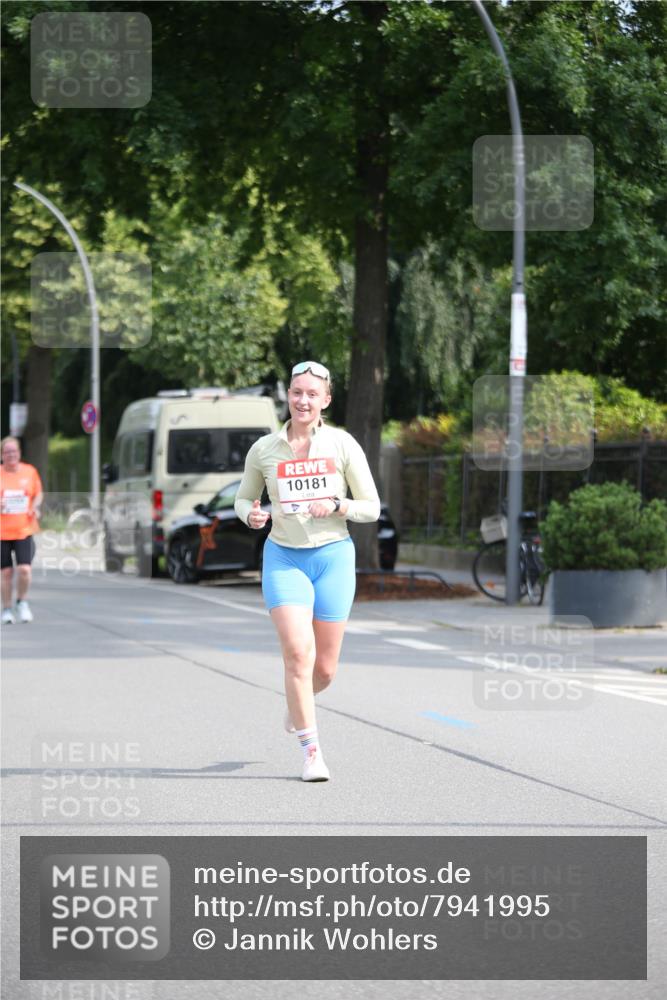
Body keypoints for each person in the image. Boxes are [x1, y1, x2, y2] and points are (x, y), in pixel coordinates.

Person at [235, 361, 380, 782]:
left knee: (324, 671)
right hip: (284, 557)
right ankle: (312, 753)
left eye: (312, 394)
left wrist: (338, 505)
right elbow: (243, 500)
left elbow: (371, 506)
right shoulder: (264, 450)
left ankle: (297, 704)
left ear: (325, 401)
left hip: (333, 556)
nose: (303, 400)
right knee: (298, 654)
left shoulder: (342, 444)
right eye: (297, 392)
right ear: (289, 397)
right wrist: (252, 516)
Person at [1, 436, 43, 624]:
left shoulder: (30, 472)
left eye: (14, 451)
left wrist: (35, 506)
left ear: (19, 453)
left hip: (24, 529)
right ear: (2, 455)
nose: (11, 455)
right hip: (2, 532)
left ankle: (22, 602)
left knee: (24, 569)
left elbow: (38, 494)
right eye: (7, 452)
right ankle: (7, 609)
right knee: (7, 573)